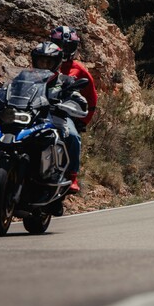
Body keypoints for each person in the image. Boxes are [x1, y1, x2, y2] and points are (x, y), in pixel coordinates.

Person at [31, 42, 88, 205]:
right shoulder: (26, 78)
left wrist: (74, 102)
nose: (44, 65)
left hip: (56, 117)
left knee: (72, 136)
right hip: (31, 117)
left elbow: (78, 97)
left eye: (48, 62)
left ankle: (71, 176)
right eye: (41, 61)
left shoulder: (65, 81)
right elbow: (12, 89)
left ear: (57, 63)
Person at [50, 25, 98, 193]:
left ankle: (72, 177)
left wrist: (83, 121)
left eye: (68, 46)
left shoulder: (80, 70)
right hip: (40, 109)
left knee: (72, 135)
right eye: (59, 44)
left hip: (65, 112)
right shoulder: (44, 62)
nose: (63, 49)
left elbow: (92, 98)